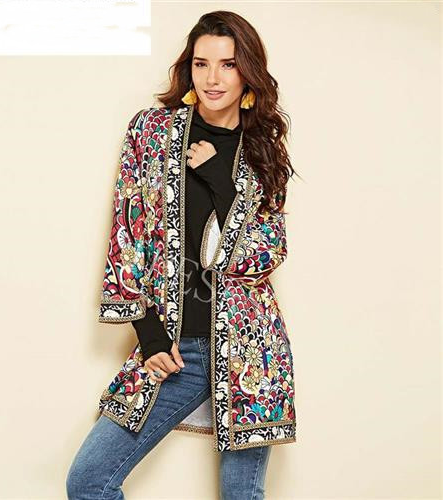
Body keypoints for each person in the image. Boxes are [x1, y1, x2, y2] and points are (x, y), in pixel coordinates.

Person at [66, 10, 298, 500]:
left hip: (251, 351)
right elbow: (127, 234)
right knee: (88, 481)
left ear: (248, 72)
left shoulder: (263, 149)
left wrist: (216, 179)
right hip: (176, 347)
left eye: (228, 65)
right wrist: (148, 333)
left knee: (241, 496)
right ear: (187, 68)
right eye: (201, 63)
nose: (213, 78)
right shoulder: (151, 132)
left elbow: (264, 252)